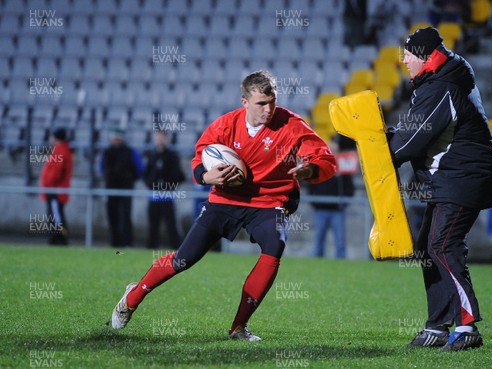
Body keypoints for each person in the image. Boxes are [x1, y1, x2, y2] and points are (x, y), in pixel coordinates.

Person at [110, 70, 336, 341]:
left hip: (268, 201)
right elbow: (198, 160)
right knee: (184, 259)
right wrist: (207, 177)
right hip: (225, 199)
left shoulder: (291, 124)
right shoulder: (225, 125)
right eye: (261, 103)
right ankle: (132, 297)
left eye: (272, 101)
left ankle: (238, 327)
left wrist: (309, 171)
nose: (268, 109)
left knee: (274, 246)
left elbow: (324, 158)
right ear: (245, 102)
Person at [387, 27, 492, 351]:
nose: (404, 60)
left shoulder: (442, 86)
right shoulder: (440, 80)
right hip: (453, 177)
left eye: (407, 54)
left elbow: (411, 140)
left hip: (464, 177)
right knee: (428, 248)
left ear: (423, 57)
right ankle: (437, 326)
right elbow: (417, 132)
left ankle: (466, 328)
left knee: (442, 245)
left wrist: (383, 150)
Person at [308, 139, 355, 259]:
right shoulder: (318, 166)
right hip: (321, 209)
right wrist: (315, 203)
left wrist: (343, 204)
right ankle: (316, 263)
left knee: (340, 239)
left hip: (337, 210)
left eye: (334, 150)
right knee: (319, 238)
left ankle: (340, 263)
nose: (332, 153)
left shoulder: (343, 169)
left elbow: (350, 188)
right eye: (329, 150)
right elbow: (310, 184)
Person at [99, 128, 144, 247]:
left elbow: (139, 170)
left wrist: (129, 180)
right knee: (112, 216)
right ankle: (115, 243)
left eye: (119, 137)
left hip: (126, 189)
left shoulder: (130, 152)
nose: (117, 140)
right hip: (111, 189)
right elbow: (102, 170)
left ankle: (127, 242)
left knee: (125, 217)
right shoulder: (107, 152)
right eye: (115, 137)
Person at [143, 130, 186, 249]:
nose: (160, 140)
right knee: (153, 226)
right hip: (154, 198)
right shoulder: (152, 156)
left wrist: (168, 184)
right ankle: (150, 250)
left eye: (163, 137)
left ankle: (178, 251)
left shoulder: (172, 157)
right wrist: (153, 184)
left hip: (168, 198)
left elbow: (180, 176)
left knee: (172, 226)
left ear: (167, 139)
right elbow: (146, 175)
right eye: (158, 137)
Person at [39, 127, 74, 245]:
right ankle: (58, 239)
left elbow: (55, 173)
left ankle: (60, 239)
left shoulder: (61, 151)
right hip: (54, 190)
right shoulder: (61, 150)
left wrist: (48, 184)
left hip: (55, 191)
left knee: (56, 218)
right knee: (55, 217)